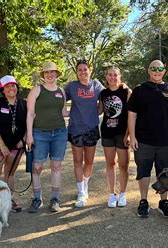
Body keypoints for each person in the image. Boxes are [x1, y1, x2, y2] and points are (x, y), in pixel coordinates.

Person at [127, 60, 168, 218]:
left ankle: (164, 202)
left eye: (160, 68)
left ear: (164, 71)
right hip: (143, 140)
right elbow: (132, 114)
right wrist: (132, 136)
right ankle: (143, 201)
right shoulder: (139, 90)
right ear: (148, 70)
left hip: (167, 142)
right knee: (143, 171)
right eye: (153, 68)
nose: (157, 71)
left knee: (165, 173)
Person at [26, 62, 68, 213]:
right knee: (37, 167)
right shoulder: (36, 90)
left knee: (56, 167)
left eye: (52, 72)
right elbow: (30, 114)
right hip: (39, 133)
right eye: (47, 72)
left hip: (59, 133)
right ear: (43, 75)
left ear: (57, 74)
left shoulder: (61, 91)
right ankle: (37, 199)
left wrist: (85, 107)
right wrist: (29, 135)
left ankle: (55, 199)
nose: (50, 75)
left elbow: (64, 112)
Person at [65, 59, 105, 208]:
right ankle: (81, 191)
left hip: (92, 128)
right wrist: (65, 111)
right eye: (79, 70)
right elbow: (59, 97)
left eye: (85, 69)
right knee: (77, 161)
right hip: (76, 128)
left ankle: (85, 184)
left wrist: (99, 110)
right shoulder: (71, 86)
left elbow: (106, 96)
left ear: (90, 70)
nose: (82, 72)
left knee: (89, 161)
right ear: (76, 72)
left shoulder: (96, 85)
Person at [0, 75, 27, 213]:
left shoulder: (23, 104)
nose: (11, 88)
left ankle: (9, 199)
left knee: (10, 174)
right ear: (2, 89)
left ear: (17, 87)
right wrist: (2, 146)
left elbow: (29, 124)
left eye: (13, 85)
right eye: (7, 86)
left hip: (17, 147)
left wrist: (24, 139)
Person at [98, 66, 132, 208]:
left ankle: (122, 194)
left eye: (115, 75)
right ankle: (112, 194)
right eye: (110, 75)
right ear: (106, 77)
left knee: (123, 165)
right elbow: (99, 111)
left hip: (122, 133)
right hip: (107, 132)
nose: (112, 77)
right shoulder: (103, 93)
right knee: (110, 163)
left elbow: (132, 115)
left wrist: (128, 134)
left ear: (119, 76)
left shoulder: (126, 91)